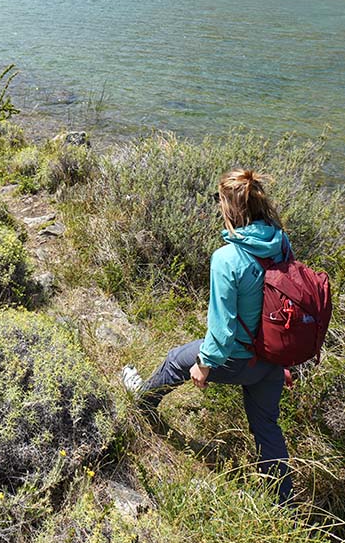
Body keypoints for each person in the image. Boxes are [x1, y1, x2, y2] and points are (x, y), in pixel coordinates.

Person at [122, 168, 295, 503]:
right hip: (272, 358)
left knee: (177, 358)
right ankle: (283, 501)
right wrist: (283, 357)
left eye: (220, 202)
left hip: (240, 358)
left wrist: (204, 364)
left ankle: (141, 404)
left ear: (230, 208)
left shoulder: (227, 259)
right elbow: (285, 303)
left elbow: (222, 329)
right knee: (267, 428)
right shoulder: (281, 243)